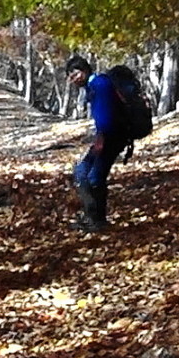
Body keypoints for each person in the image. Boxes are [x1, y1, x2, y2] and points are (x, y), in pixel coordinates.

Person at [65, 55, 133, 232]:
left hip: (113, 136)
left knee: (94, 177)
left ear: (85, 70)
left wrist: (101, 138)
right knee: (81, 172)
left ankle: (97, 221)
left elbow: (105, 116)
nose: (74, 80)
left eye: (75, 74)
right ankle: (92, 217)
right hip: (107, 135)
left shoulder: (99, 84)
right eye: (71, 77)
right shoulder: (93, 86)